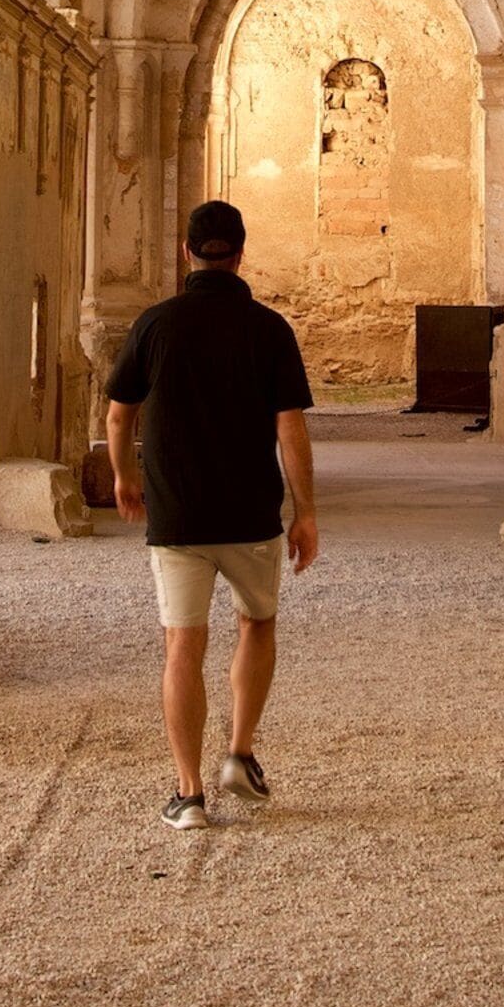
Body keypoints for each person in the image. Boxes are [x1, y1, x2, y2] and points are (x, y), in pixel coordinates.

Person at [102, 198, 318, 831]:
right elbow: (290, 430)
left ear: (186, 253)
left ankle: (188, 793)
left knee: (182, 646)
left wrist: (124, 476)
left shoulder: (154, 325)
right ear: (241, 254)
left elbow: (118, 415)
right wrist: (305, 512)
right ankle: (239, 754)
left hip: (178, 516)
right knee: (257, 624)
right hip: (250, 513)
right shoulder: (269, 329)